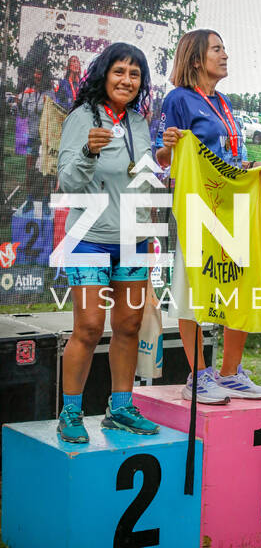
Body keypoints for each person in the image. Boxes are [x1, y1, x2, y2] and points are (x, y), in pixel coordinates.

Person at [156, 29, 261, 404]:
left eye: (225, 48)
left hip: (233, 207)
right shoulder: (178, 99)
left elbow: (228, 157)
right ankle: (199, 376)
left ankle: (231, 373)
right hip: (198, 208)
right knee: (192, 288)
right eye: (217, 49)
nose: (225, 55)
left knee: (239, 285)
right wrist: (167, 149)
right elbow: (163, 158)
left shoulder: (224, 102)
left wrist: (251, 169)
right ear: (195, 59)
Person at [57, 42, 159, 443]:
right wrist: (88, 151)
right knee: (88, 327)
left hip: (133, 239)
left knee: (129, 326)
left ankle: (120, 409)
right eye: (119, 71)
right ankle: (70, 412)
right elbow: (68, 182)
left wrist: (164, 156)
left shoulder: (138, 122)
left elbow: (141, 174)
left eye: (135, 74)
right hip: (90, 239)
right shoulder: (81, 117)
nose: (127, 80)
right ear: (104, 74)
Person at [18, 66, 54, 214]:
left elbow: (53, 115)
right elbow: (23, 114)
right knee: (29, 170)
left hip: (45, 139)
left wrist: (48, 104)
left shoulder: (50, 92)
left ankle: (45, 201)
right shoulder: (28, 91)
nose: (36, 75)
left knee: (45, 171)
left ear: (44, 76)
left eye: (39, 73)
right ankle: (29, 200)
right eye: (35, 73)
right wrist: (19, 103)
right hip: (32, 138)